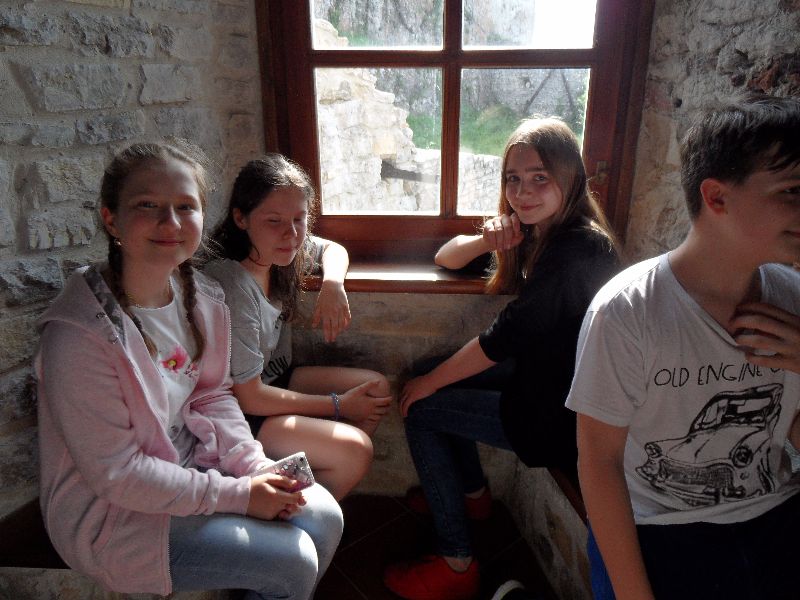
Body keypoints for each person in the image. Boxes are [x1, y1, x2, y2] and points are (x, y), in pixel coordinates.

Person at [36, 141, 343, 600]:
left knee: (324, 516)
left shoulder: (200, 297)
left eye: (186, 206)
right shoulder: (79, 335)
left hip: (197, 466)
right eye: (148, 205)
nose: (171, 223)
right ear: (111, 219)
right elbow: (118, 473)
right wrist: (241, 495)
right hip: (117, 514)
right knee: (293, 561)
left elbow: (211, 394)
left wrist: (254, 466)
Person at [566, 93, 800, 600]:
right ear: (717, 198)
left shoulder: (793, 298)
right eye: (792, 190)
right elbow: (599, 461)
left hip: (776, 515)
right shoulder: (628, 312)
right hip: (659, 529)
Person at [383, 117, 621, 600]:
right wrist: (488, 240)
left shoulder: (578, 247)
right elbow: (446, 258)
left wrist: (431, 385)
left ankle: (455, 559)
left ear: (570, 176)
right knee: (427, 375)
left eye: (539, 178)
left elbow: (505, 336)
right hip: (542, 378)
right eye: (513, 178)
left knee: (419, 404)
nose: (522, 192)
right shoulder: (541, 228)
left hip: (558, 414)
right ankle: (472, 498)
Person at [205, 154, 392, 500]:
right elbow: (249, 396)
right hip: (242, 413)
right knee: (356, 449)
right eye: (274, 220)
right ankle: (298, 512)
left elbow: (332, 248)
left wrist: (332, 284)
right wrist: (338, 406)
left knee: (376, 388)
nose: (291, 234)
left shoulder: (279, 251)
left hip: (276, 378)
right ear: (240, 218)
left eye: (299, 219)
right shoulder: (233, 284)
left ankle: (301, 488)